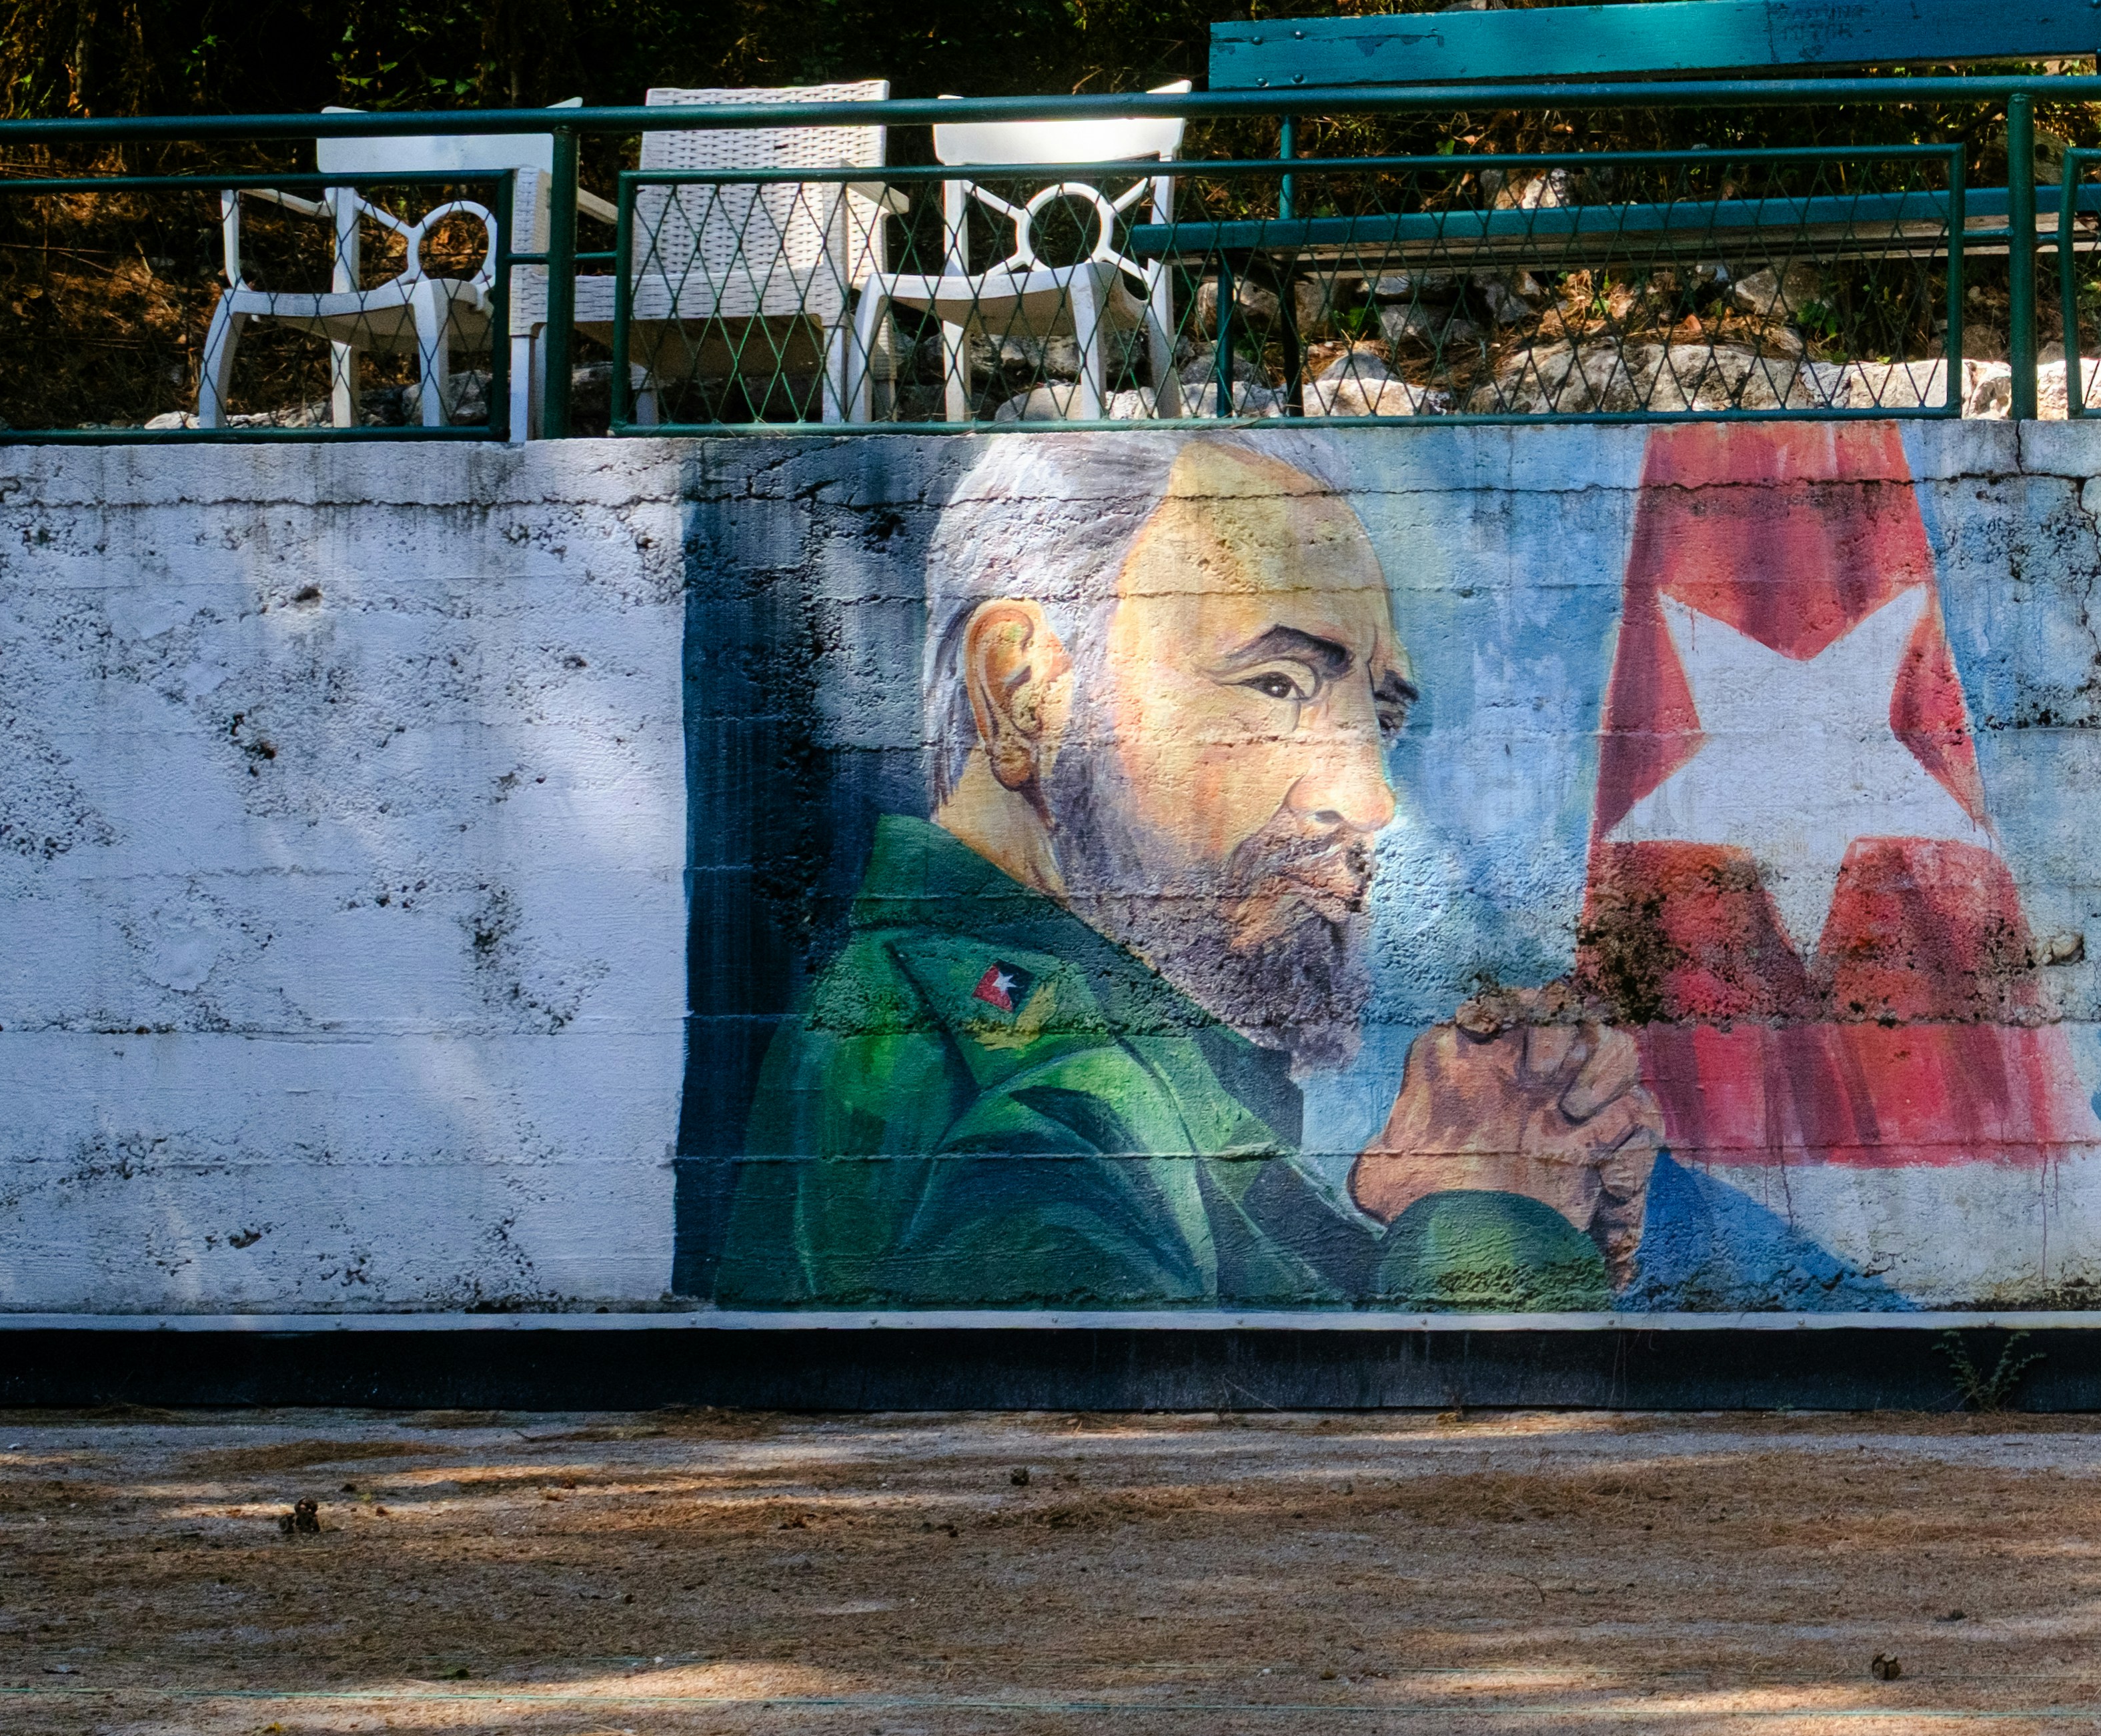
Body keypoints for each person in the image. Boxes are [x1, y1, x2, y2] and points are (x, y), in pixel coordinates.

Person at [720, 433, 1855, 1309]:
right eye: (1277, 684)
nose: (1368, 800)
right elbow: (1344, 1525)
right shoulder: (1035, 1112)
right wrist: (1481, 1216)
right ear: (1023, 693)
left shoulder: (1096, 1057)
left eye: (1381, 716)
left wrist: (1464, 1198)